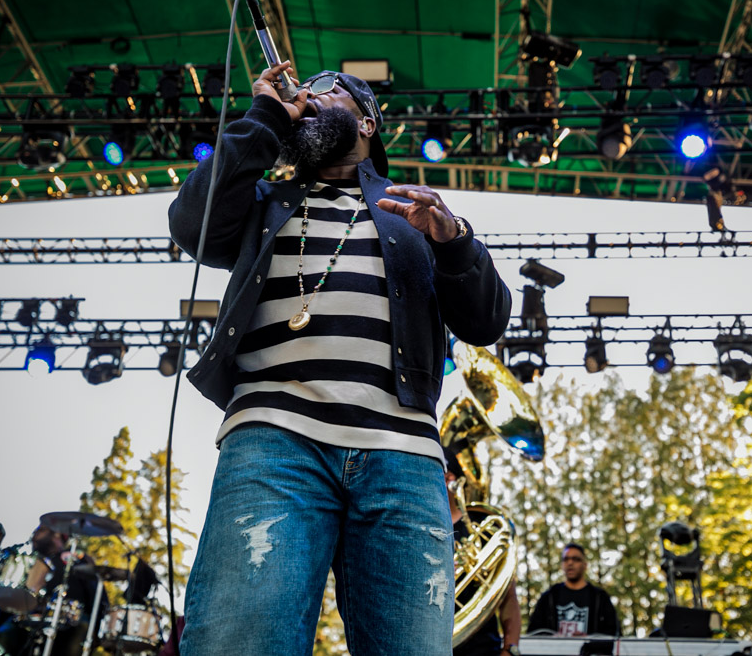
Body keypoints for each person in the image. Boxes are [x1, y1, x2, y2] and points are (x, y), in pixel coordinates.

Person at [168, 61, 511, 655]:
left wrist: (454, 242)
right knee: (241, 639)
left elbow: (487, 320)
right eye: (301, 95)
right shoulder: (261, 201)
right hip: (274, 440)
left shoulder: (413, 213)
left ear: (368, 122)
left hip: (402, 454)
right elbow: (190, 223)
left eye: (324, 94)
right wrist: (267, 116)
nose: (307, 99)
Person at [444, 447, 522, 656]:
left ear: (448, 477)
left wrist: (510, 649)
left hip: (482, 647)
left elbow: (507, 594)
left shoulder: (481, 525)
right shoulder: (417, 532)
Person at [0, 524, 104, 656]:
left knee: (80, 630)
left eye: (40, 530)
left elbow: (99, 601)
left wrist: (98, 633)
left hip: (70, 626)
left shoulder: (78, 560)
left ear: (57, 534)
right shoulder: (32, 563)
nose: (34, 535)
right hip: (27, 624)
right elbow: (16, 599)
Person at [528, 543, 618, 637]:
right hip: (556, 651)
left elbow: (613, 633)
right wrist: (552, 638)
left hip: (590, 651)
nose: (570, 563)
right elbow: (533, 633)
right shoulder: (549, 597)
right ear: (562, 564)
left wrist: (589, 641)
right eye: (566, 559)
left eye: (576, 559)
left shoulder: (599, 598)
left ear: (585, 565)